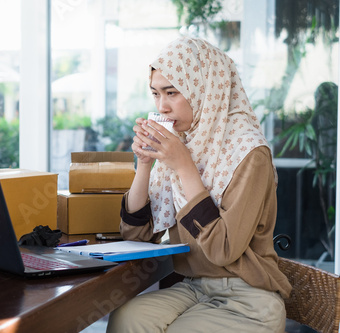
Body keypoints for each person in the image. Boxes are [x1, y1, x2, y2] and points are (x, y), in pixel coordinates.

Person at [106, 37, 292, 333]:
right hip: (194, 287)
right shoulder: (185, 140)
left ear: (204, 89)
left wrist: (183, 165)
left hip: (249, 297)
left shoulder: (249, 152)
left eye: (172, 92)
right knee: (126, 319)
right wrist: (144, 163)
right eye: (155, 94)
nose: (162, 106)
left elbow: (224, 250)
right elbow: (136, 236)